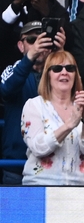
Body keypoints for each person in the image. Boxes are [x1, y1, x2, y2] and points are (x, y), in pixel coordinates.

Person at [21, 50, 84, 185]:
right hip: (40, 185)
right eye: (57, 68)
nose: (64, 72)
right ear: (48, 75)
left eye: (70, 68)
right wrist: (69, 125)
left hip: (81, 188)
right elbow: (38, 148)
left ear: (75, 75)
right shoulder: (34, 105)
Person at [0, 20, 64, 184]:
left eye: (44, 39)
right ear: (21, 46)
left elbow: (75, 98)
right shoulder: (12, 69)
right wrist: (29, 58)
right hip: (17, 165)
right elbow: (5, 89)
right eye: (32, 40)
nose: (38, 44)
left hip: (55, 164)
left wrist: (61, 54)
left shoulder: (62, 73)